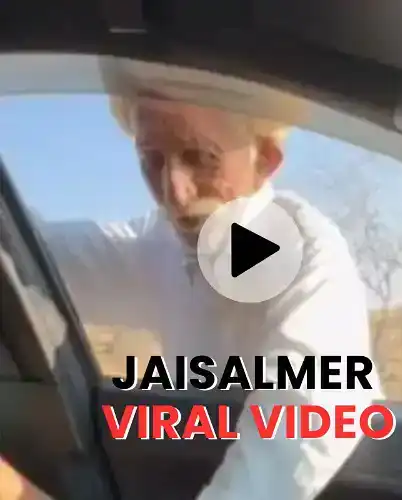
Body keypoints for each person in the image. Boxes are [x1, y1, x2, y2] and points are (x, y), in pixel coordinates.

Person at [37, 59, 383, 499]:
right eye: (151, 160)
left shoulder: (309, 255)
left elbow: (309, 416)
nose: (174, 192)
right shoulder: (157, 244)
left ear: (266, 161)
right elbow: (35, 256)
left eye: (200, 157)